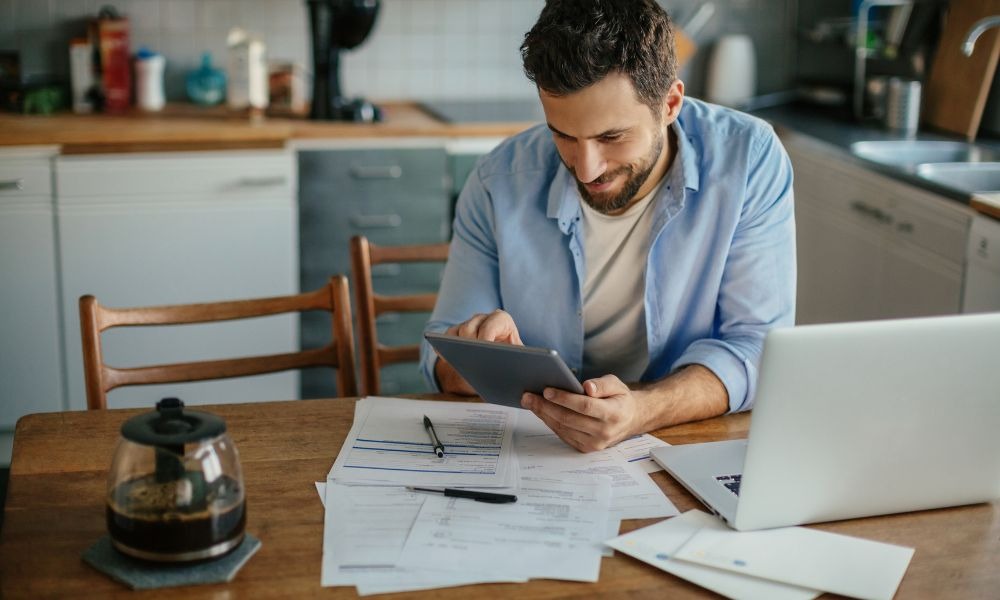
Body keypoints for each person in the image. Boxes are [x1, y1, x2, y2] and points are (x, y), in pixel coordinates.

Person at [419, 0, 795, 452]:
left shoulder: (749, 160)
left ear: (670, 103)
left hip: (682, 441)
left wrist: (642, 409)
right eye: (563, 134)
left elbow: (758, 348)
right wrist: (477, 351)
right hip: (538, 450)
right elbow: (440, 361)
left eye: (610, 137)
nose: (585, 168)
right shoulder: (497, 182)